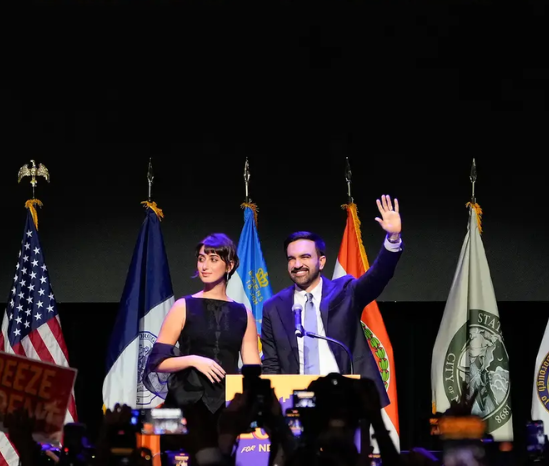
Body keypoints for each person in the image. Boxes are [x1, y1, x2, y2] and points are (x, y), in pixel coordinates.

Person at [260, 195, 404, 410]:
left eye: (305, 257)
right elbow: (271, 363)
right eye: (291, 259)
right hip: (296, 401)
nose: (297, 264)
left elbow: (377, 277)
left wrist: (393, 239)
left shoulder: (345, 291)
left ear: (322, 261)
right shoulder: (274, 307)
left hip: (346, 398)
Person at [146, 233, 261, 455]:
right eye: (201, 259)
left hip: (225, 408)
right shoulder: (183, 306)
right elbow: (156, 363)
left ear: (230, 265)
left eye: (213, 259)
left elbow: (252, 371)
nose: (204, 266)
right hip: (182, 404)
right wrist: (193, 360)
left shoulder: (244, 314)